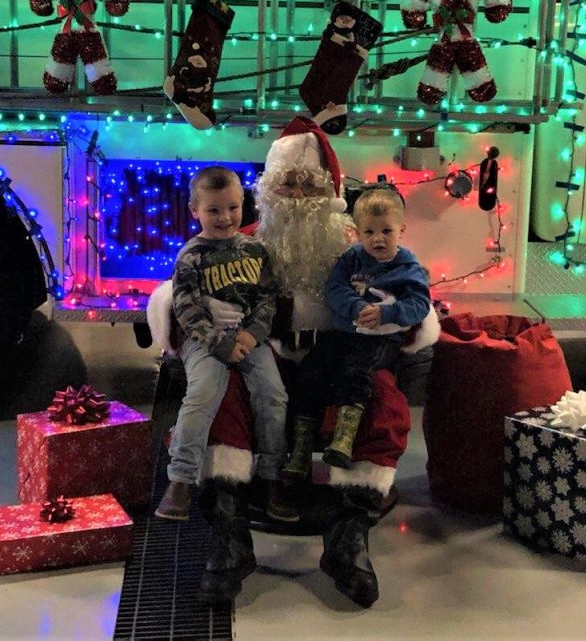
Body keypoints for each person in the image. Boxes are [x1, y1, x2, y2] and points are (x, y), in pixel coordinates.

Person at [147, 117, 439, 607]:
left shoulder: (355, 240)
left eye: (310, 183)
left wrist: (400, 316)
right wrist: (186, 323)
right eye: (288, 182)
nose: (299, 193)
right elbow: (186, 285)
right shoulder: (246, 238)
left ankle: (347, 541)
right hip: (264, 350)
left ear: (330, 190)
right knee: (223, 403)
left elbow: (408, 287)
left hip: (344, 353)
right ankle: (230, 539)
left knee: (384, 403)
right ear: (270, 189)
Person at [155, 166, 297, 524]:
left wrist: (252, 335)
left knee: (273, 395)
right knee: (202, 395)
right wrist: (220, 344)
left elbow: (267, 299)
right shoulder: (191, 256)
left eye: (232, 208)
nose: (225, 217)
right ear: (195, 211)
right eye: (214, 210)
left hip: (250, 339)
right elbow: (185, 308)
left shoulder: (255, 251)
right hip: (205, 342)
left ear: (242, 205)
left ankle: (271, 477)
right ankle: (181, 480)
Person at [283, 185, 431, 478]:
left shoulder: (408, 267)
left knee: (356, 371)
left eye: (386, 231)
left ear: (401, 229)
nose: (378, 239)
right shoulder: (351, 259)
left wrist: (387, 312)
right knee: (312, 370)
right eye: (370, 232)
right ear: (357, 232)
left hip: (381, 339)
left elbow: (419, 304)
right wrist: (354, 306)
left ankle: (343, 440)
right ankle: (300, 450)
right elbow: (334, 288)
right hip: (345, 333)